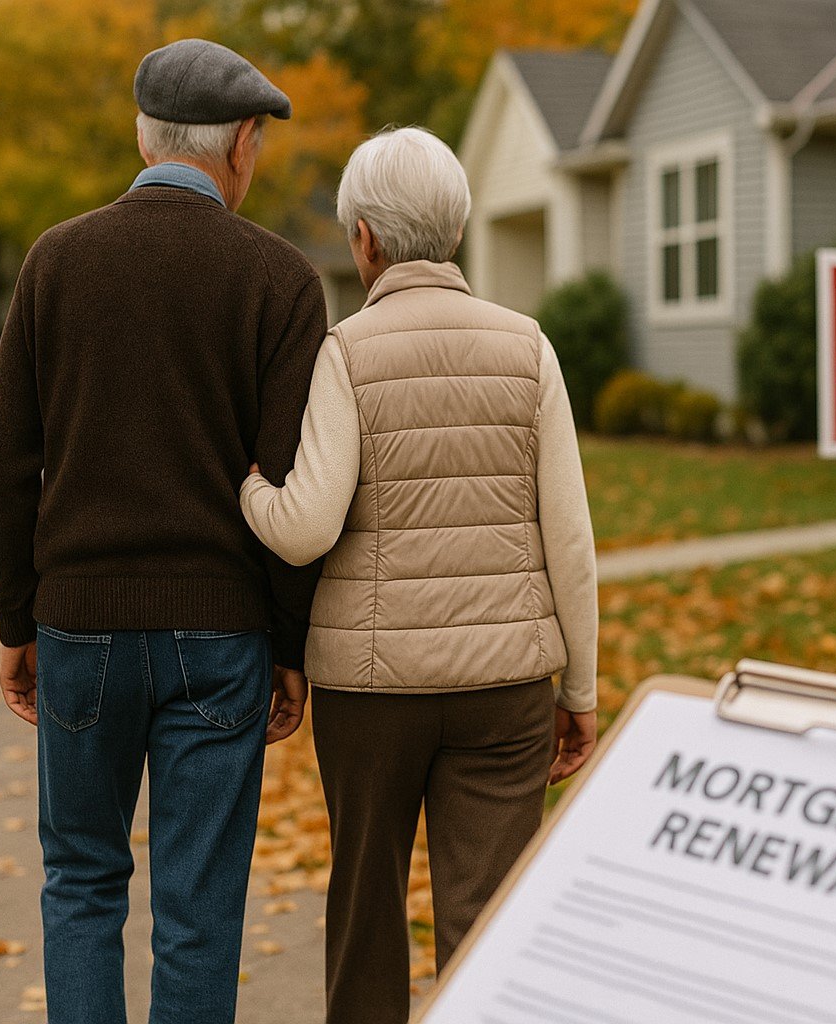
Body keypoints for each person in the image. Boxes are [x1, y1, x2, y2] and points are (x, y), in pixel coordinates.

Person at [0, 39, 326, 1024]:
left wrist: (18, 618)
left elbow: (3, 462)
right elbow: (290, 477)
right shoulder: (282, 280)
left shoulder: (57, 260)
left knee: (82, 881)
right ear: (244, 144)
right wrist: (290, 647)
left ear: (143, 133)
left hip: (80, 627)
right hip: (223, 638)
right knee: (199, 907)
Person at [240, 126, 600, 1024]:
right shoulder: (528, 347)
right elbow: (572, 539)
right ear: (460, 226)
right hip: (507, 684)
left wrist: (248, 485)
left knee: (366, 915)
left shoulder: (347, 352)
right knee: (491, 921)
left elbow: (304, 527)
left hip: (372, 694)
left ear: (363, 238)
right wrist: (581, 688)